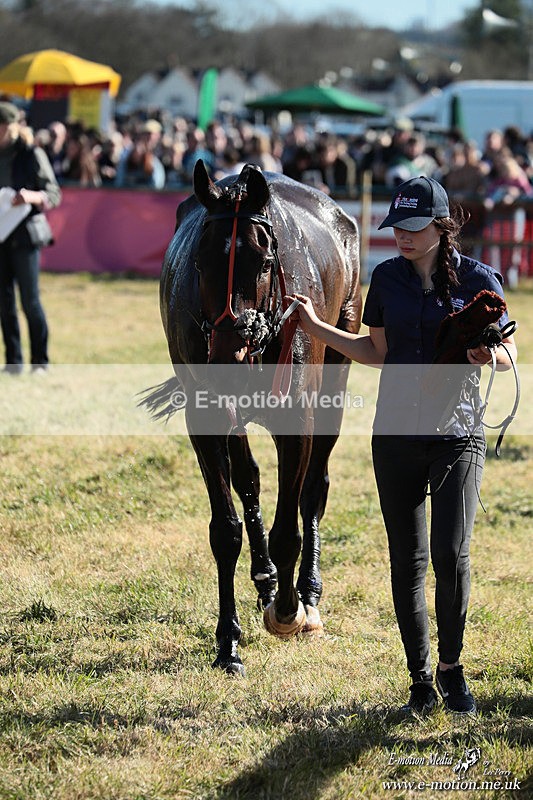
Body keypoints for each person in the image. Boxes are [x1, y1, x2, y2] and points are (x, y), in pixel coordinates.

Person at [287, 176, 517, 716]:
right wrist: (318, 327)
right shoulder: (385, 278)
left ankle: (452, 670)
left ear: (442, 227)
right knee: (406, 561)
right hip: (394, 436)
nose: (403, 237)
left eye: (415, 228)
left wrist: (490, 356)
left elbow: (509, 352)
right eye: (398, 227)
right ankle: (419, 679)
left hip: (457, 436)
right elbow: (376, 350)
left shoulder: (480, 280)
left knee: (451, 557)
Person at [0, 101, 61, 374]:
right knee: (4, 303)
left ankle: (40, 362)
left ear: (13, 127)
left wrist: (31, 196)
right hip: (0, 236)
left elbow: (54, 194)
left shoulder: (31, 153)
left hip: (25, 235)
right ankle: (13, 361)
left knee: (29, 301)